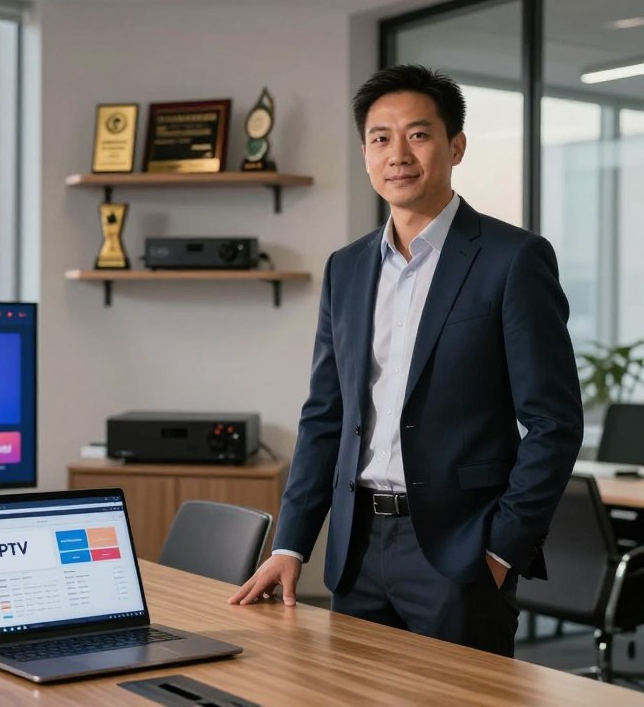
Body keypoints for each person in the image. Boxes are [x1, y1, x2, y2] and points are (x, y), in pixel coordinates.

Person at [229, 64, 583, 656]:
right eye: (380, 138)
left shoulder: (512, 259)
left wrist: (500, 550)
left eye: (418, 134)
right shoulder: (347, 268)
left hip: (459, 551)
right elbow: (326, 414)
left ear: (456, 146)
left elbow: (554, 421)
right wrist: (291, 545)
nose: (398, 153)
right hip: (357, 547)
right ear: (366, 154)